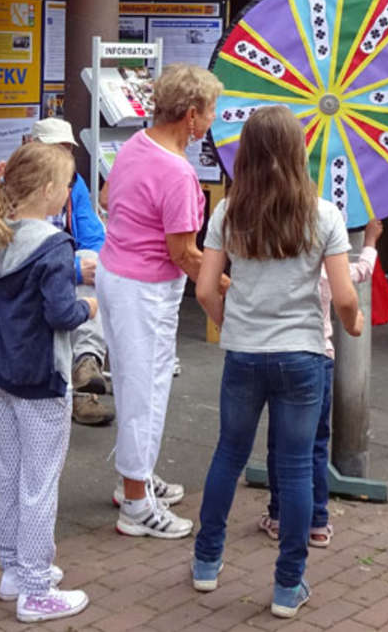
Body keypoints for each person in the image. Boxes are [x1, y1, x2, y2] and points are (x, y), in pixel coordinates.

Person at [192, 106, 363, 619]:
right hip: (303, 355)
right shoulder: (324, 215)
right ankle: (288, 586)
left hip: (244, 352)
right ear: (297, 151)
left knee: (229, 454)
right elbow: (345, 297)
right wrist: (352, 327)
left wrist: (228, 323)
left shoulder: (228, 212)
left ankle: (205, 562)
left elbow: (204, 288)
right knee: (293, 470)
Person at [0, 141, 95, 624]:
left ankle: (14, 568)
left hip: (4, 370)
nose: (68, 193)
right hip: (43, 374)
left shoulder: (0, 234)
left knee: (12, 473)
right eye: (66, 185)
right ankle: (36, 587)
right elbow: (61, 313)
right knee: (41, 483)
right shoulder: (56, 247)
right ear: (47, 190)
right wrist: (89, 307)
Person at [98, 63, 224, 538]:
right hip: (146, 290)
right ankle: (135, 505)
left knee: (136, 386)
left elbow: (110, 199)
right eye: (210, 112)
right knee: (145, 393)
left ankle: (137, 478)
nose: (212, 121)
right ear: (191, 115)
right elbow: (184, 254)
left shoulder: (136, 144)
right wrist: (226, 291)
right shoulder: (178, 173)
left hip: (116, 274)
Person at [0, 118, 113, 426]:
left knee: (91, 259)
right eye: (52, 147)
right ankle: (82, 372)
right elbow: (11, 254)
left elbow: (91, 232)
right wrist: (73, 269)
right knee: (77, 294)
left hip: (53, 279)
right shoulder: (14, 185)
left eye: (65, 148)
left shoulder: (71, 182)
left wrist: (89, 264)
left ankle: (86, 365)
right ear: (31, 147)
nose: (60, 155)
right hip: (20, 295)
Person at [258, 217, 383, 549]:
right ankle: (318, 521)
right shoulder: (329, 266)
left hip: (278, 351)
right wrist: (370, 240)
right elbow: (360, 272)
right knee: (315, 443)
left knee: (278, 441)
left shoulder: (275, 262)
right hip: (318, 356)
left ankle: (278, 515)